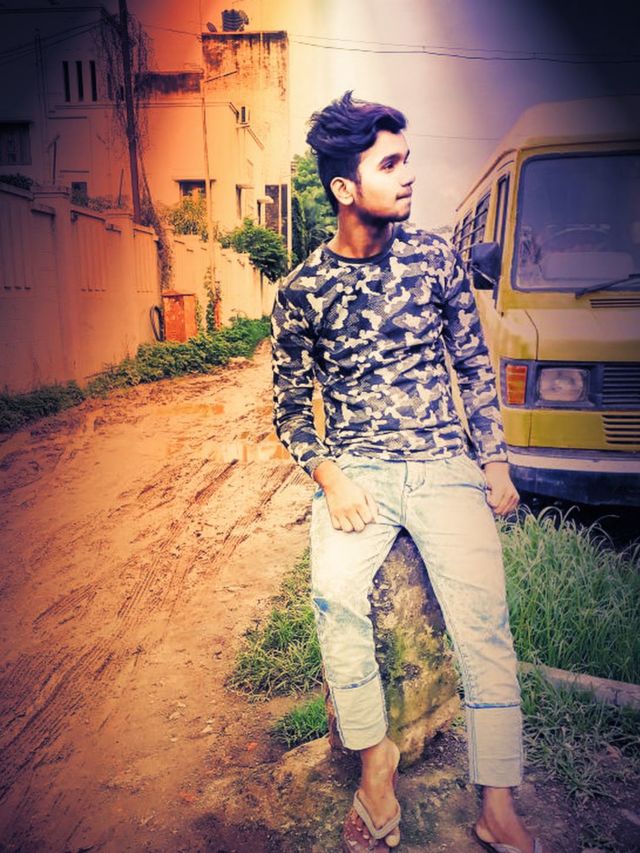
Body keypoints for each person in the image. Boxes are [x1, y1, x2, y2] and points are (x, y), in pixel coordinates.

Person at [271, 91, 542, 853]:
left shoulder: (435, 259)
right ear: (344, 187)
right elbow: (289, 409)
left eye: (407, 159)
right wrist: (330, 477)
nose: (408, 174)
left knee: (484, 621)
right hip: (358, 469)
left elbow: (474, 365)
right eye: (390, 164)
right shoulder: (301, 291)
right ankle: (376, 766)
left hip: (444, 464)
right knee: (334, 597)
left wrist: (494, 460)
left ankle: (497, 802)